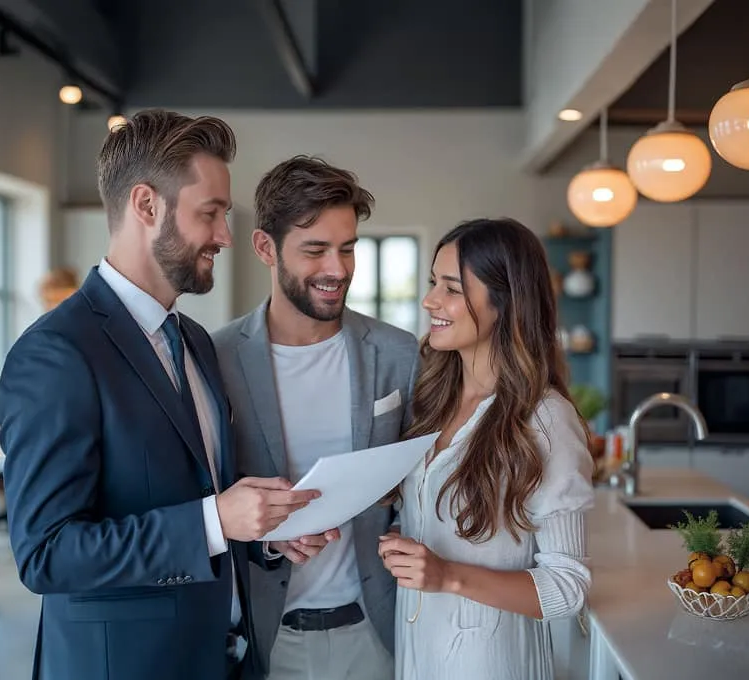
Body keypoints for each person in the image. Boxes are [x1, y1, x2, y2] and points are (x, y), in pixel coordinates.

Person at [0, 110, 319, 680]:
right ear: (147, 206)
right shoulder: (56, 353)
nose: (225, 235)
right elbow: (47, 554)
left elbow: (202, 497)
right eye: (211, 214)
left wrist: (263, 532)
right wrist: (216, 521)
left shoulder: (193, 340)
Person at [212, 155, 420, 680]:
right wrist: (266, 536)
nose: (338, 269)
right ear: (265, 248)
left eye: (347, 248)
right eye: (315, 250)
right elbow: (204, 494)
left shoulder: (399, 353)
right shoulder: (215, 360)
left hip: (379, 632)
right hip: (266, 637)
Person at [377, 217, 596, 679]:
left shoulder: (546, 420)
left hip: (493, 665)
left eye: (452, 289)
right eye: (433, 282)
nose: (429, 300)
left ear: (505, 302)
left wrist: (447, 575)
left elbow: (567, 586)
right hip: (419, 653)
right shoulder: (432, 398)